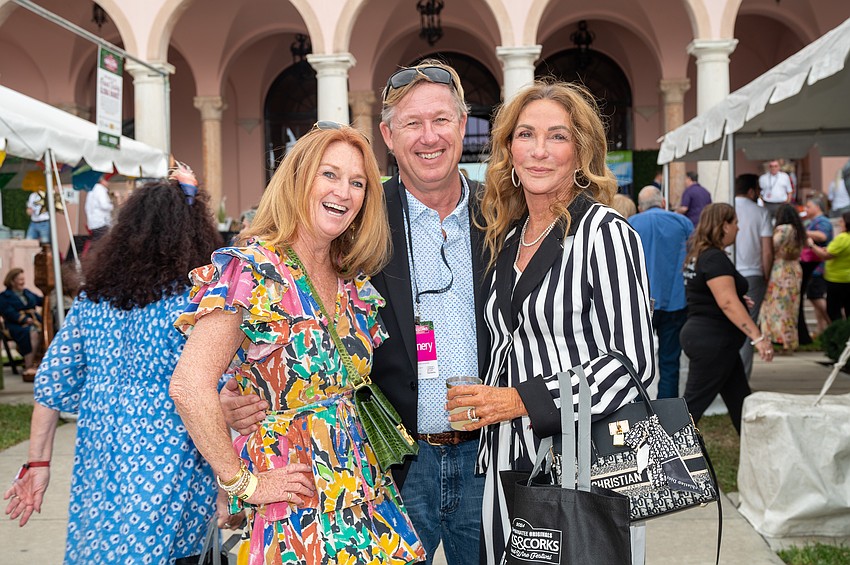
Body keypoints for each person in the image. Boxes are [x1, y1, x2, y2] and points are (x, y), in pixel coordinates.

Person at [220, 61, 488, 565]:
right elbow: (282, 307)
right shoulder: (356, 214)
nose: (428, 136)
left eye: (441, 120)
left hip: (487, 457)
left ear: (464, 124)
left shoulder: (502, 213)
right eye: (412, 123)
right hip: (392, 461)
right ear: (388, 133)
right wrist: (238, 394)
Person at [170, 123, 425, 564]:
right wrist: (240, 484)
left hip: (364, 485)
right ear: (298, 180)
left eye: (357, 182)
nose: (343, 191)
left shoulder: (351, 279)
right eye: (329, 174)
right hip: (295, 494)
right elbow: (189, 387)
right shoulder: (251, 270)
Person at [445, 81, 656, 565]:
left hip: (581, 469)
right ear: (508, 150)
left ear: (581, 153)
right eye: (526, 135)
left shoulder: (605, 234)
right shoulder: (508, 236)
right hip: (505, 465)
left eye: (557, 137)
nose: (539, 151)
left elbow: (632, 367)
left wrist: (519, 400)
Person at [3, 169, 227, 563]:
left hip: (99, 467)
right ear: (194, 233)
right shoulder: (195, 303)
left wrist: (38, 463)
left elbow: (50, 386)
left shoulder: (93, 301)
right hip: (174, 467)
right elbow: (221, 396)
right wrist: (232, 482)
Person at [681, 203, 773, 433]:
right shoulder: (714, 258)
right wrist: (758, 337)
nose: (738, 229)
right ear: (724, 226)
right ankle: (664, 457)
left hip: (712, 340)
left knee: (739, 401)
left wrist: (740, 299)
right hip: (713, 341)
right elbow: (727, 302)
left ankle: (757, 453)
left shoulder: (700, 255)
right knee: (691, 408)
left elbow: (713, 295)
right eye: (735, 223)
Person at [630, 185, 693, 398]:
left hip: (640, 303)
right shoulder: (682, 222)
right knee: (670, 361)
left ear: (640, 207)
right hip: (675, 299)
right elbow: (692, 257)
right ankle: (668, 415)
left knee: (636, 364)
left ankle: (638, 412)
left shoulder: (630, 224)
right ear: (663, 202)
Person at [734, 173, 774, 378]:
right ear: (751, 191)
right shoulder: (761, 213)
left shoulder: (725, 206)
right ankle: (742, 379)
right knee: (749, 327)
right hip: (752, 273)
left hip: (726, 272)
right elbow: (767, 251)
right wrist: (767, 274)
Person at [759, 204, 805, 352]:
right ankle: (789, 341)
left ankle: (773, 339)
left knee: (775, 307)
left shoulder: (784, 229)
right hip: (795, 269)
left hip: (781, 270)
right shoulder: (798, 230)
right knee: (791, 307)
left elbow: (770, 245)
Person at [799, 196, 833, 341]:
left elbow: (822, 235)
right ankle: (822, 329)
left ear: (817, 207)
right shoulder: (813, 221)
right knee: (815, 295)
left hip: (818, 266)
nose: (806, 209)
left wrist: (803, 233)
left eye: (808, 206)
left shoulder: (822, 221)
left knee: (815, 295)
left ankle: (832, 323)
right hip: (814, 266)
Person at [0, 268, 43, 379]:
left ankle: (39, 362)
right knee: (31, 332)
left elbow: (41, 300)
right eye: (20, 279)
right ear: (12, 281)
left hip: (34, 322)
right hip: (15, 325)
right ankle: (29, 365)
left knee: (44, 331)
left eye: (23, 279)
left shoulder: (27, 292)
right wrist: (24, 319)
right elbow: (8, 312)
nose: (22, 282)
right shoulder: (4, 296)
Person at [808, 211, 850, 321]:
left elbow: (826, 255)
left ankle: (840, 333)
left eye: (842, 221)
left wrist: (812, 245)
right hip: (845, 279)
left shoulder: (843, 238)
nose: (840, 223)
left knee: (833, 311)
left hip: (837, 280)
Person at [85, 173, 115, 241]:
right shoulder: (100, 189)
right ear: (102, 180)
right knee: (103, 243)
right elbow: (104, 205)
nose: (108, 183)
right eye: (107, 180)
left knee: (96, 242)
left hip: (93, 223)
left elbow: (87, 207)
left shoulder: (92, 190)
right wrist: (111, 206)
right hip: (101, 222)